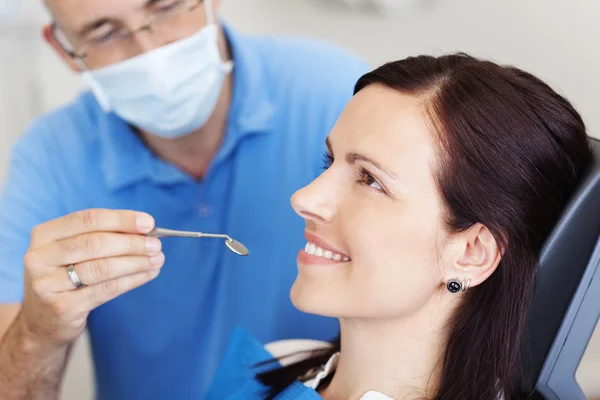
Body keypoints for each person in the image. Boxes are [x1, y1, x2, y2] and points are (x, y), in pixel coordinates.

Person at [0, 0, 370, 398]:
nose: (150, 52)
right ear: (64, 49)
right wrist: (37, 335)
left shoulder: (335, 94)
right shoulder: (52, 156)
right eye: (104, 33)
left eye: (165, 7)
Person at [201, 53, 592, 400]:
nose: (304, 198)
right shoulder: (279, 362)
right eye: (329, 161)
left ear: (471, 253)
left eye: (371, 180)